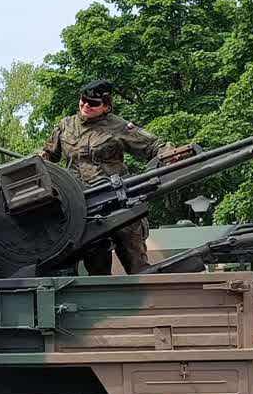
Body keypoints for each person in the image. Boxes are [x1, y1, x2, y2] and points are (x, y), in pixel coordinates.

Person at [40, 79, 182, 275]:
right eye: (84, 100)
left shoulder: (118, 126)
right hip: (84, 207)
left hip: (117, 201)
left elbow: (153, 145)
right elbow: (48, 155)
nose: (86, 105)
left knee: (137, 264)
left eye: (93, 103)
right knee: (96, 268)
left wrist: (170, 155)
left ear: (106, 106)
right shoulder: (66, 126)